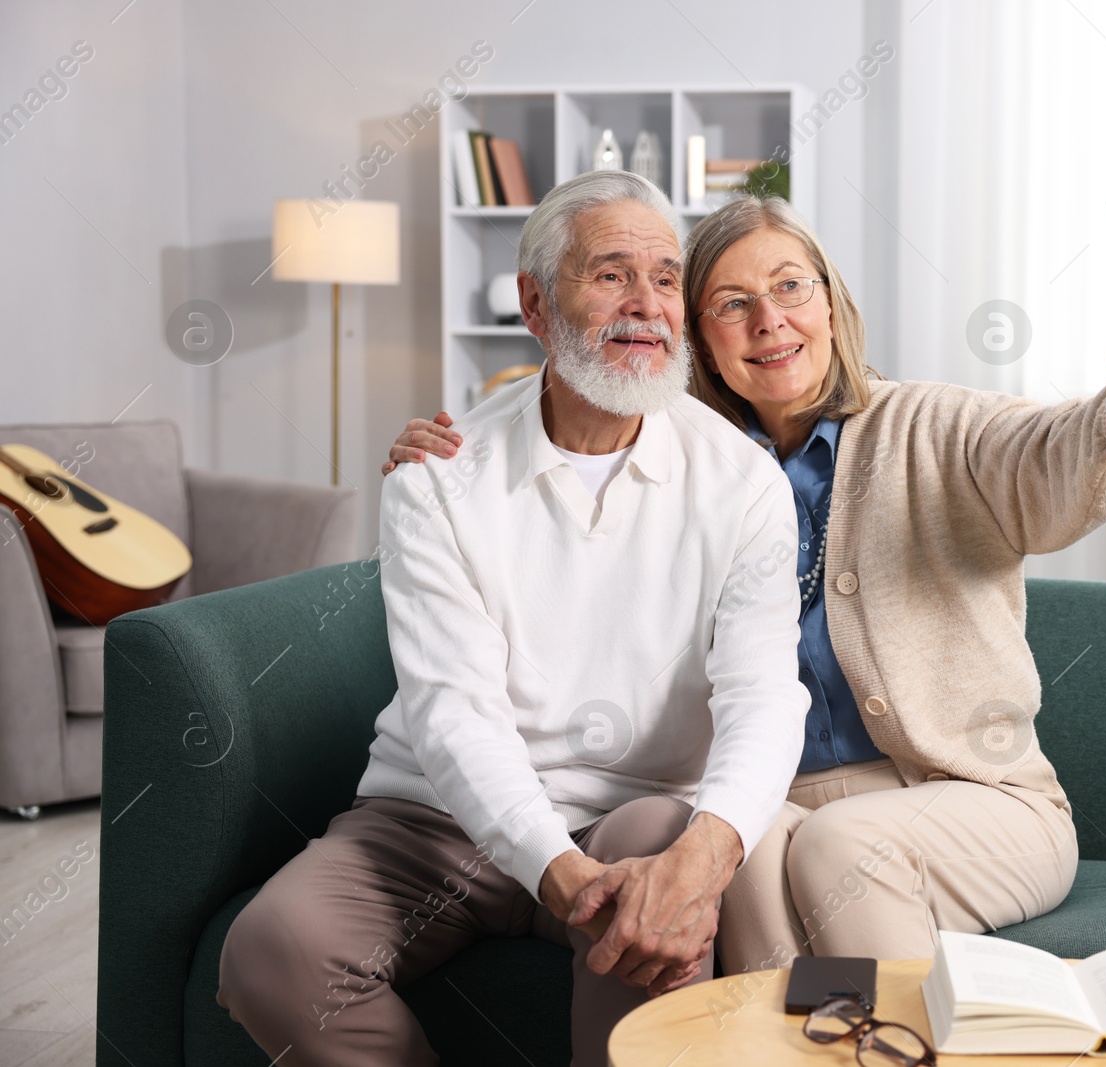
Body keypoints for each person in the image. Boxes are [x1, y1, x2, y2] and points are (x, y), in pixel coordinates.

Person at [384, 195, 1106, 976]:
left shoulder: (931, 428)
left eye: (790, 287)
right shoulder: (690, 461)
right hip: (784, 800)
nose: (769, 320)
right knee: (740, 856)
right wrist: (450, 452)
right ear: (696, 336)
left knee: (841, 846)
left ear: (831, 305)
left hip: (969, 792)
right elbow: (554, 489)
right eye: (732, 303)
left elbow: (1046, 458)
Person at [216, 171, 810, 1067]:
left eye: (663, 276)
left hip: (632, 813)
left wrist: (702, 857)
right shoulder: (437, 477)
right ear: (536, 304)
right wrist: (563, 874)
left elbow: (765, 693)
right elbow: (454, 713)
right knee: (270, 950)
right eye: (610, 274)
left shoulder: (743, 481)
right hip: (434, 823)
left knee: (657, 861)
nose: (645, 303)